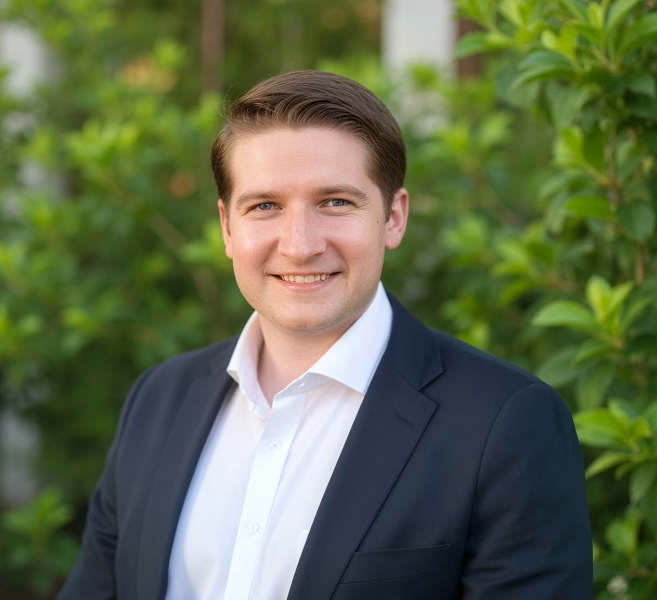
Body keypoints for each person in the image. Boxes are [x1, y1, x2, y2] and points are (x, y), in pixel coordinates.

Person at [57, 71, 592, 600]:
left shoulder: (504, 422)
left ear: (393, 218)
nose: (300, 245)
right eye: (264, 206)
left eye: (335, 202)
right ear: (227, 227)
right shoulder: (158, 398)